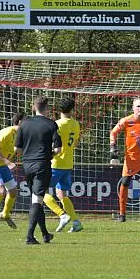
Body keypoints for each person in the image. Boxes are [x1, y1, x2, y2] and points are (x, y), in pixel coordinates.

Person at [15, 96, 61, 244]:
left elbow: (17, 148)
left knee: (36, 198)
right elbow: (58, 149)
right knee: (37, 199)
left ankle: (45, 234)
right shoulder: (51, 124)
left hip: (27, 165)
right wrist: (49, 154)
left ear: (33, 107)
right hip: (42, 164)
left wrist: (28, 154)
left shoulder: (24, 124)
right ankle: (29, 236)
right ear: (47, 108)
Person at [44, 96, 83, 234]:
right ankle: (76, 222)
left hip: (55, 163)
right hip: (68, 163)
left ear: (58, 109)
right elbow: (75, 143)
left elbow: (51, 144)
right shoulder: (76, 124)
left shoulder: (56, 124)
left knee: (41, 191)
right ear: (72, 109)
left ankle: (62, 215)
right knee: (62, 194)